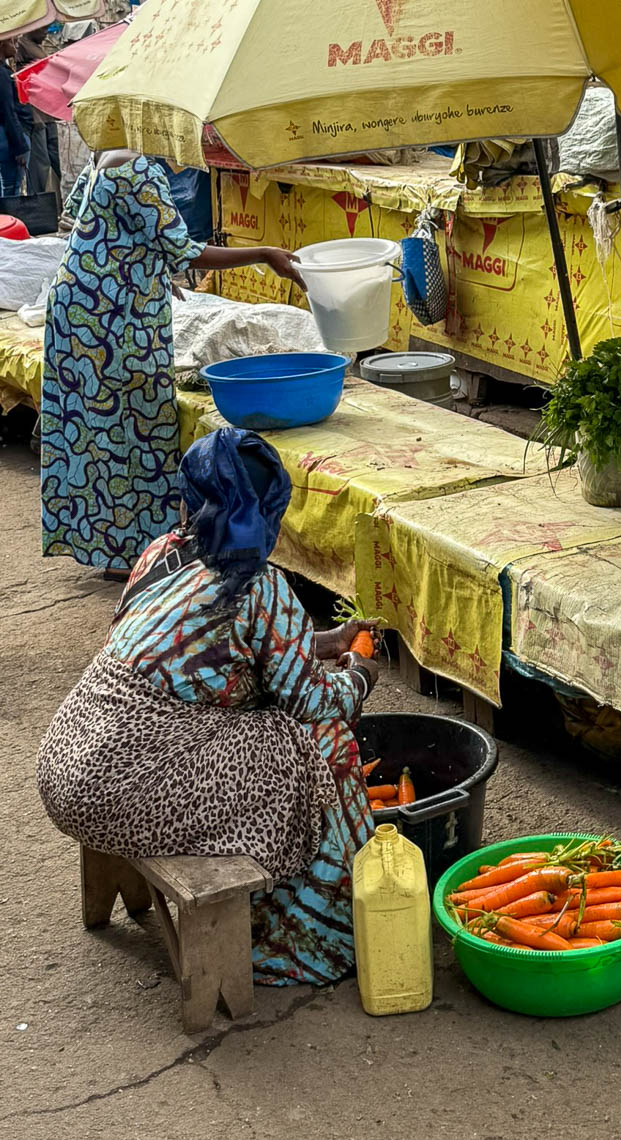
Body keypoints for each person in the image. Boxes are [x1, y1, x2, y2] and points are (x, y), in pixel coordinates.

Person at [37, 427, 379, 984]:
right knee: (315, 742)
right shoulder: (260, 588)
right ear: (272, 508)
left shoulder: (160, 555)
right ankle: (317, 932)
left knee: (263, 720)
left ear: (191, 499)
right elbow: (312, 700)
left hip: (66, 765)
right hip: (126, 790)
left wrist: (323, 642)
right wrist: (359, 676)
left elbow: (188, 649)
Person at [41, 148, 302, 576]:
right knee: (136, 430)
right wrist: (264, 253)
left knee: (97, 436)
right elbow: (185, 250)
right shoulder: (140, 168)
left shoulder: (105, 155)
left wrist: (151, 266)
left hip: (81, 306)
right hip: (113, 317)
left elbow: (95, 223)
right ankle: (136, 557)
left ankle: (117, 551)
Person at [16, 29, 61, 194]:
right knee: (40, 166)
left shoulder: (36, 46)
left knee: (55, 161)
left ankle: (56, 204)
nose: (46, 32)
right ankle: (39, 206)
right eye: (42, 28)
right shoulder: (20, 44)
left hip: (48, 113)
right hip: (35, 115)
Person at [0, 35, 30, 196]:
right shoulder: (3, 74)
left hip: (6, 135)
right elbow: (8, 112)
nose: (16, 46)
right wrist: (19, 147)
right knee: (12, 188)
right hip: (9, 137)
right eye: (12, 42)